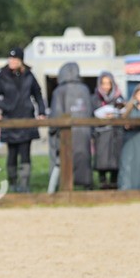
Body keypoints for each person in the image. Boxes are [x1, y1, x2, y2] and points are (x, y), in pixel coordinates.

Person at [0, 47, 46, 193]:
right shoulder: (2, 76)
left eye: (15, 59)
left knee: (25, 154)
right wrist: (4, 107)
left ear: (21, 61)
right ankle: (13, 184)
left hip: (26, 119)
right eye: (10, 58)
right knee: (12, 154)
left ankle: (24, 185)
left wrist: (42, 112)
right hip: (9, 120)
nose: (12, 61)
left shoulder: (29, 76)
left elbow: (37, 94)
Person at [48, 61, 92, 191]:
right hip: (84, 132)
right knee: (83, 158)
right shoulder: (85, 89)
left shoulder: (59, 91)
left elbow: (56, 113)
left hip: (65, 133)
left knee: (59, 160)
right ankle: (86, 185)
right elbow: (89, 111)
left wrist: (52, 129)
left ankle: (55, 188)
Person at [91, 72, 124, 189]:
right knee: (102, 159)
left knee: (115, 158)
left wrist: (116, 114)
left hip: (115, 133)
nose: (106, 86)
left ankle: (114, 182)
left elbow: (123, 111)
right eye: (103, 83)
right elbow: (91, 115)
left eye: (108, 83)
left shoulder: (119, 98)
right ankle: (103, 182)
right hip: (101, 134)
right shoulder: (95, 99)